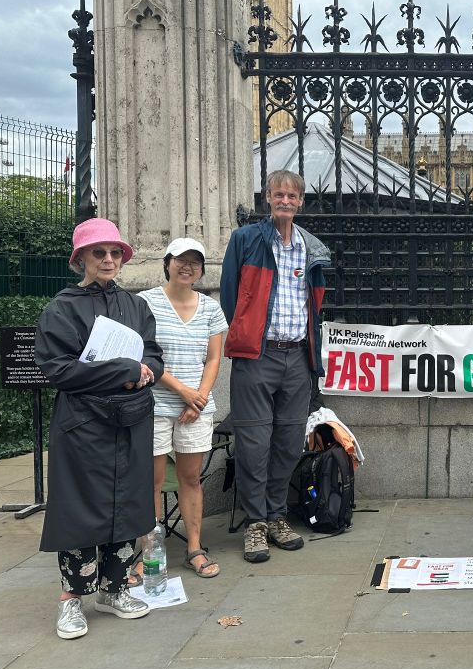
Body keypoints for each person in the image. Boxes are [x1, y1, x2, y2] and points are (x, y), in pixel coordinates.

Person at [35, 218, 164, 640]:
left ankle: (115, 588)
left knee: (128, 504)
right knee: (80, 508)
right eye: (98, 253)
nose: (108, 260)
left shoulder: (137, 306)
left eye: (114, 253)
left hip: (130, 421)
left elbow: (155, 357)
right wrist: (126, 370)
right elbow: (58, 369)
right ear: (81, 259)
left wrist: (147, 373)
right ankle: (71, 600)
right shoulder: (62, 308)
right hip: (83, 424)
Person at [221, 170, 331, 563]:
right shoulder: (246, 240)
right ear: (267, 197)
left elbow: (314, 305)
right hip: (257, 355)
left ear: (301, 202)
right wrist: (248, 334)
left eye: (292, 196)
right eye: (278, 194)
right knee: (253, 443)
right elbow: (230, 297)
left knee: (287, 442)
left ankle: (276, 515)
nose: (285, 201)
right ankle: (255, 522)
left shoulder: (313, 248)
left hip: (298, 356)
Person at [139, 238, 228, 579]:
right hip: (156, 404)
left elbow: (214, 357)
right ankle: (149, 553)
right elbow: (145, 356)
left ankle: (194, 548)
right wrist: (183, 392)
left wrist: (200, 398)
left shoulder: (209, 308)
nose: (188, 266)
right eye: (181, 259)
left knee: (191, 479)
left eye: (195, 261)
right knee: (153, 481)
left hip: (196, 409)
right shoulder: (145, 302)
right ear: (167, 262)